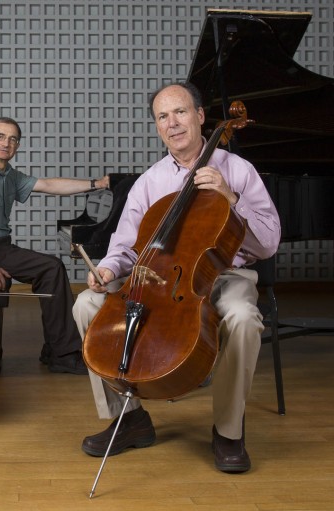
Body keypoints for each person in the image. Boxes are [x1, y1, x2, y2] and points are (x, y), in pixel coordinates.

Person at [72, 82, 281, 472]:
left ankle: (229, 431)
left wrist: (230, 199)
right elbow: (125, 248)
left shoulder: (238, 170)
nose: (173, 123)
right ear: (157, 127)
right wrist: (106, 269)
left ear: (200, 116)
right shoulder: (149, 181)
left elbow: (268, 242)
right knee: (87, 304)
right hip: (158, 280)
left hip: (223, 275)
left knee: (243, 318)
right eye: (163, 117)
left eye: (180, 112)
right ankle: (130, 418)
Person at [0, 116, 110, 375]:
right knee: (51, 268)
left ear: (17, 146)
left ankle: (54, 348)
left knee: (50, 270)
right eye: (0, 136)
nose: (6, 143)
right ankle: (63, 355)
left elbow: (48, 185)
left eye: (13, 139)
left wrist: (96, 185)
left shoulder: (8, 175)